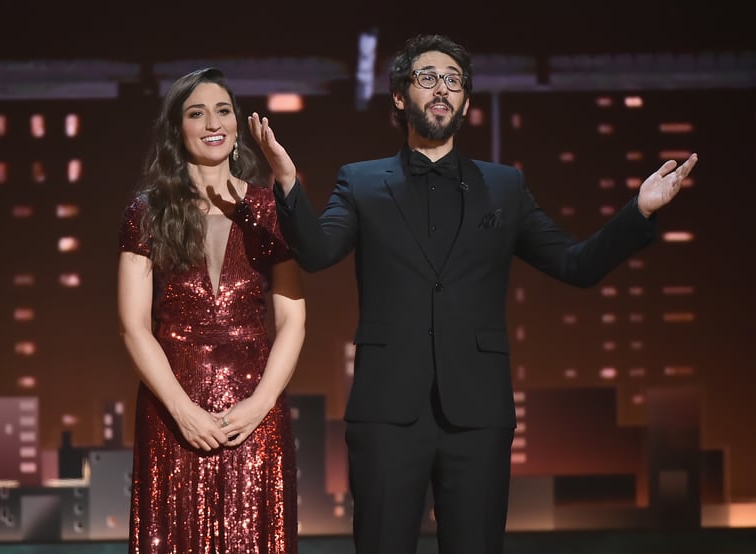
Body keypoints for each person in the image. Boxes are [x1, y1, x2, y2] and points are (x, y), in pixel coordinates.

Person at [250, 34, 697, 554]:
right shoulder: (362, 182)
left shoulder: (504, 187)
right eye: (428, 78)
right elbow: (318, 252)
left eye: (454, 81)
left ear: (464, 101)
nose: (442, 89)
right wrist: (286, 182)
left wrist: (637, 211)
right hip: (388, 413)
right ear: (400, 96)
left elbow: (576, 266)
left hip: (478, 414)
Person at [117, 67, 306, 554]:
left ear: (238, 123)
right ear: (177, 129)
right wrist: (183, 412)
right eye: (196, 113)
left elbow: (291, 319)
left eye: (223, 110)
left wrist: (260, 406)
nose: (212, 122)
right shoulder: (149, 210)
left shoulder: (267, 210)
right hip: (173, 408)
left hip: (255, 411)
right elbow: (134, 327)